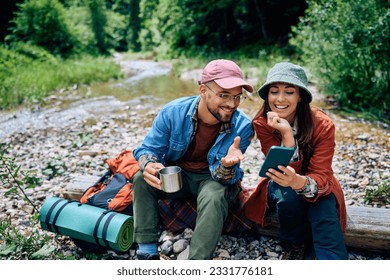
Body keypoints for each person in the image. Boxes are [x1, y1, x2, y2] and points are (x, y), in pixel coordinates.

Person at [132, 59, 254, 260]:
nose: (232, 104)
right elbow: (147, 149)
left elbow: (224, 178)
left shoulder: (243, 126)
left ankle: (197, 262)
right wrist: (148, 164)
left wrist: (226, 166)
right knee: (140, 178)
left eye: (237, 97)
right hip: (179, 176)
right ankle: (146, 248)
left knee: (215, 196)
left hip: (212, 178)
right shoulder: (173, 112)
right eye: (224, 95)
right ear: (203, 90)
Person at [244, 62, 348, 260]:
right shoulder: (262, 123)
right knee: (287, 194)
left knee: (324, 212)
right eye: (274, 92)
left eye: (289, 92)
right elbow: (278, 170)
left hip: (319, 183)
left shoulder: (323, 125)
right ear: (267, 95)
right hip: (281, 183)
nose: (280, 99)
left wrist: (299, 182)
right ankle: (296, 243)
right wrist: (287, 135)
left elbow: (321, 172)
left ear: (300, 96)